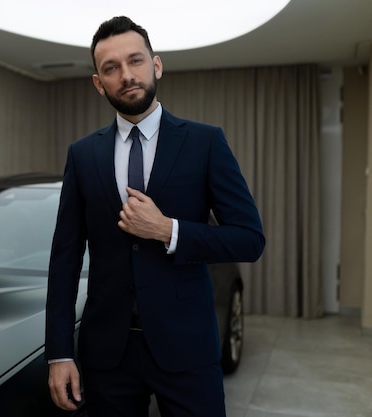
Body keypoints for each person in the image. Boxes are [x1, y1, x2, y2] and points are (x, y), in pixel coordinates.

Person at [45, 16, 265, 417]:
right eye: (111, 68)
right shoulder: (82, 154)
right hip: (106, 355)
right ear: (99, 83)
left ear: (156, 65)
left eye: (136, 61)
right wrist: (59, 353)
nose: (126, 75)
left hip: (188, 350)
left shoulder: (205, 142)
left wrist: (168, 230)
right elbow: (64, 260)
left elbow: (249, 239)